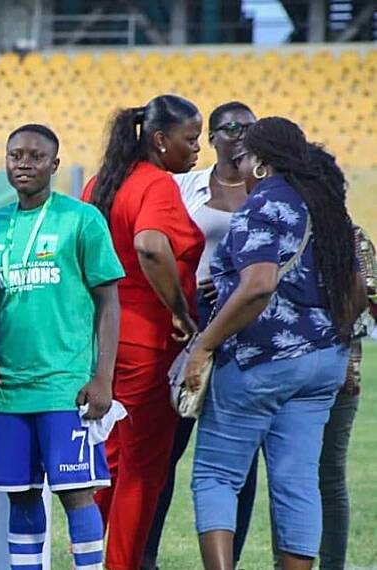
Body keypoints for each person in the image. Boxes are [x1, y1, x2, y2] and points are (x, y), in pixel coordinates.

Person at [185, 118, 364, 570]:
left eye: (244, 159)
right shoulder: (328, 207)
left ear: (261, 162)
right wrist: (328, 334)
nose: (241, 169)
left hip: (259, 360)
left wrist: (204, 346)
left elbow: (259, 285)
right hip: (323, 362)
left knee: (217, 475)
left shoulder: (261, 205)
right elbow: (358, 288)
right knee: (298, 482)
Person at [0, 124, 124, 570]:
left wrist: (102, 377)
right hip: (8, 389)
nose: (24, 164)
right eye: (15, 155)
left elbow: (109, 302)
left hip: (65, 386)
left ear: (54, 164)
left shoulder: (82, 219)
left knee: (76, 493)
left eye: (36, 156)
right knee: (20, 494)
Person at [81, 94, 205, 570]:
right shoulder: (156, 184)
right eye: (190, 139)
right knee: (143, 468)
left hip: (102, 339)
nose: (197, 148)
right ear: (159, 140)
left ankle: (89, 559)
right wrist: (180, 311)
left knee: (109, 460)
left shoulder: (100, 183)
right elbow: (151, 245)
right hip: (147, 340)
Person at [143, 101, 258, 570]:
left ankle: (231, 559)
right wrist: (186, 286)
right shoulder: (183, 185)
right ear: (210, 138)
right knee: (166, 450)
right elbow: (160, 243)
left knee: (238, 459)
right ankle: (145, 554)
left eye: (248, 126)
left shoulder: (268, 191)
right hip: (187, 327)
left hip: (245, 333)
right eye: (229, 127)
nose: (239, 134)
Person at [309, 224, 377, 570]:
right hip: (338, 371)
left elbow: (369, 299)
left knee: (306, 477)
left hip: (334, 375)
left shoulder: (351, 236)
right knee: (317, 476)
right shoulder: (352, 235)